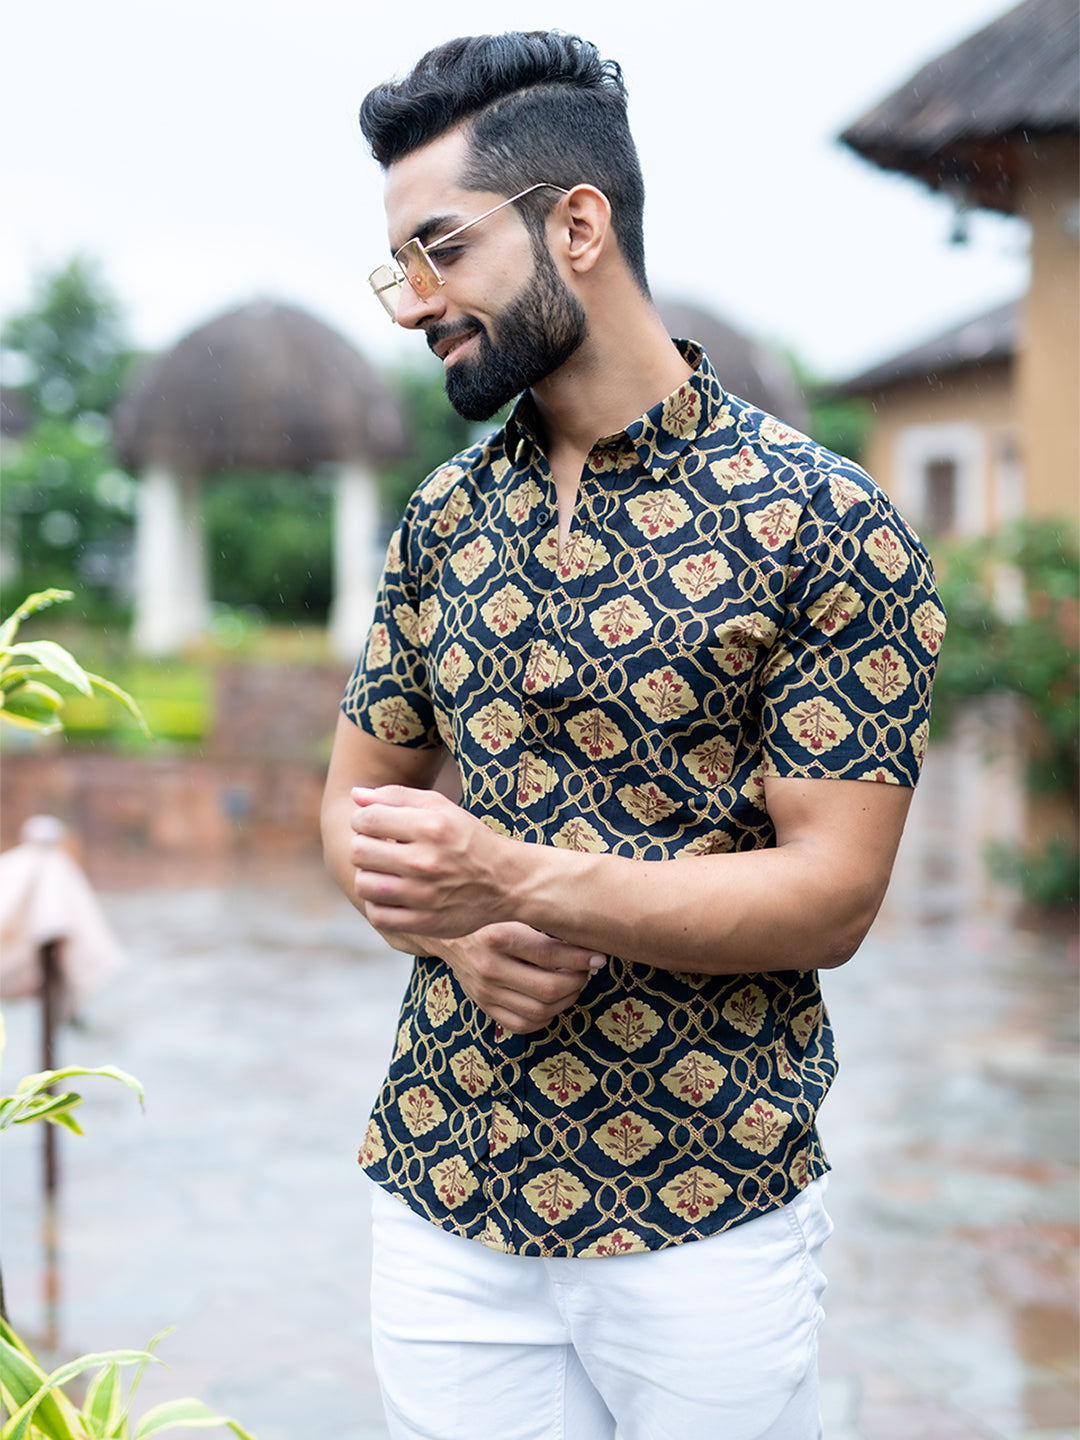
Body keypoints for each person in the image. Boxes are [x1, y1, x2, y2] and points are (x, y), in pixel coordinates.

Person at [322, 30, 944, 1440]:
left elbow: (832, 894)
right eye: (398, 265)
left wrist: (514, 881)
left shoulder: (823, 521)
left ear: (577, 226)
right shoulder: (441, 517)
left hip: (702, 1208)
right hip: (442, 1185)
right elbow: (352, 812)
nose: (413, 303)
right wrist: (450, 929)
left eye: (440, 250)